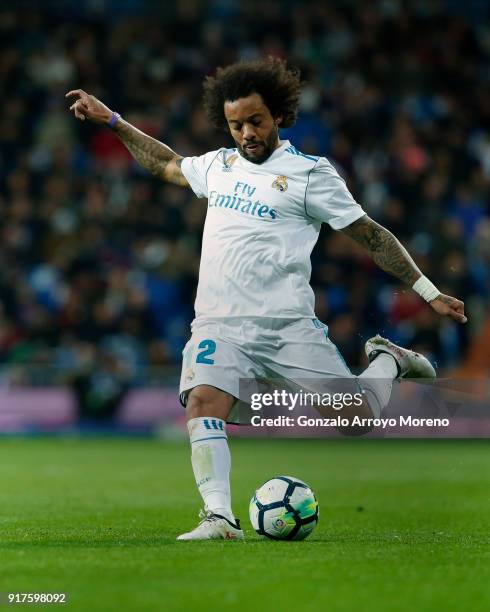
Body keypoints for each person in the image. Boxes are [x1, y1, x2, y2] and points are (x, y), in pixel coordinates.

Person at [66, 58, 467, 541]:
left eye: (255, 121)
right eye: (236, 125)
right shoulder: (219, 166)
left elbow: (372, 236)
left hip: (286, 326)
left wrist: (428, 291)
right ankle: (220, 518)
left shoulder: (310, 175)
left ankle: (389, 359)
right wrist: (113, 121)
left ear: (277, 114)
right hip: (219, 324)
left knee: (356, 419)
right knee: (203, 402)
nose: (246, 133)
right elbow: (166, 163)